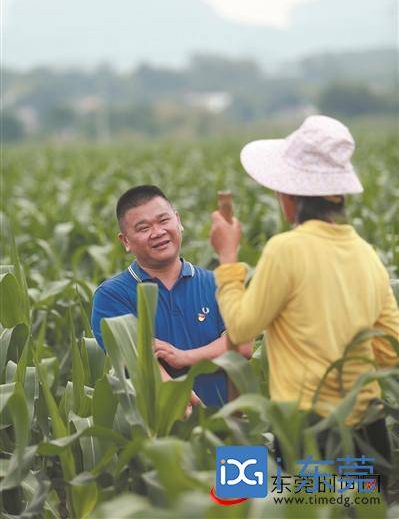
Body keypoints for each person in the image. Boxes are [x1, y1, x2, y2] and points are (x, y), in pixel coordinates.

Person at [210, 115, 399, 491]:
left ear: (289, 196)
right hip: (369, 431)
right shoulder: (366, 254)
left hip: (309, 431)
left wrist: (228, 259)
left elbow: (243, 328)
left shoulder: (287, 248)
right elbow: (391, 349)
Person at [91, 184, 252, 408]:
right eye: (143, 228)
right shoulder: (111, 297)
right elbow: (144, 364)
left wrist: (185, 356)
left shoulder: (215, 282)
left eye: (163, 220)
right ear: (125, 241)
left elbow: (243, 345)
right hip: (161, 435)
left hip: (229, 427)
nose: (158, 232)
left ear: (178, 220)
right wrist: (192, 413)